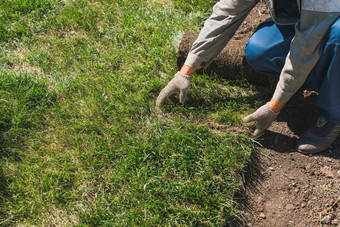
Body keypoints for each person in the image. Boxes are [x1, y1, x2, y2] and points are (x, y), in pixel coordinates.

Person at [156, 0, 340, 154]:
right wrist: (185, 72)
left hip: (330, 18)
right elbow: (227, 12)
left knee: (338, 36)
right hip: (306, 19)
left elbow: (304, 50)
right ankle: (325, 77)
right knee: (260, 51)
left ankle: (332, 115)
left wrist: (274, 107)